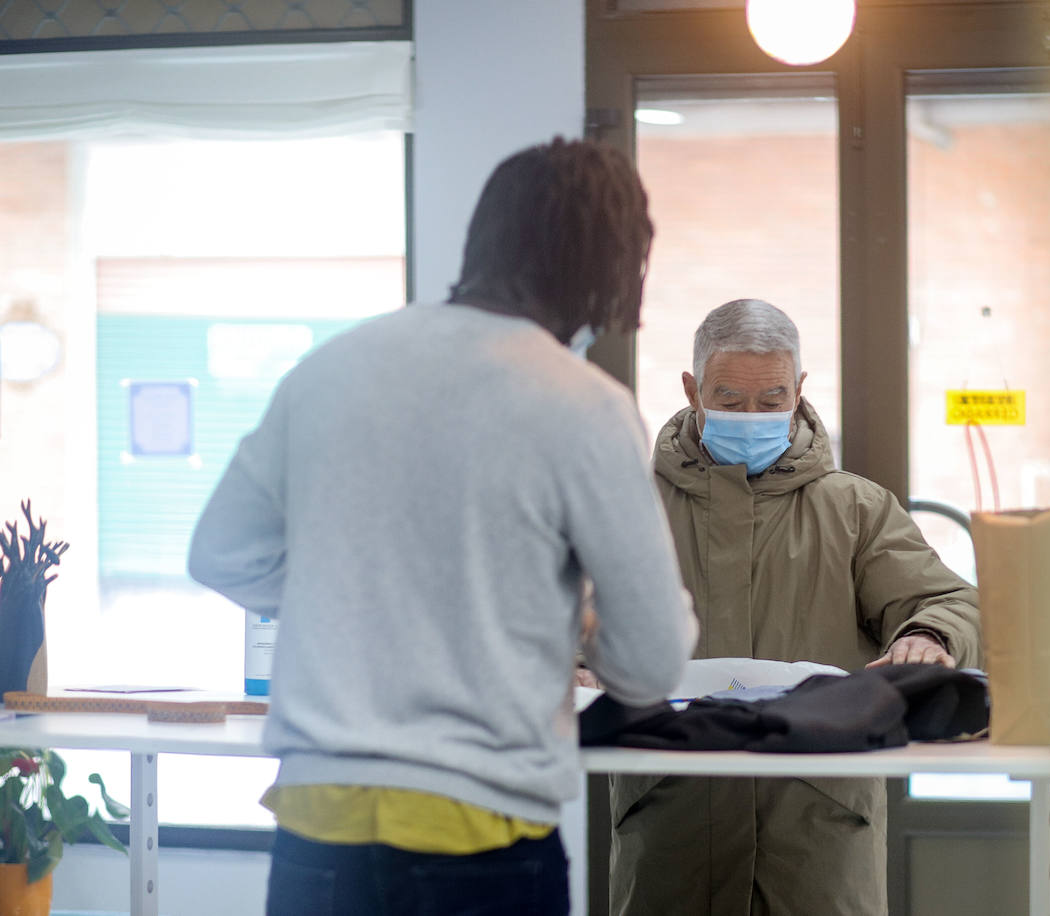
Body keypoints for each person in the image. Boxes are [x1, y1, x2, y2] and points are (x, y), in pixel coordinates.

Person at [188, 137, 697, 916]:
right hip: (478, 840)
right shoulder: (583, 405)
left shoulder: (331, 369)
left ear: (483, 237)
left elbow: (221, 553)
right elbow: (652, 662)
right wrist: (566, 619)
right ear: (604, 268)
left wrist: (361, 589)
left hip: (314, 832)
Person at [608, 299, 980, 916]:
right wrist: (576, 661)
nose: (751, 417)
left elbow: (943, 599)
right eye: (730, 400)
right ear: (693, 390)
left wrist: (930, 635)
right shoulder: (633, 509)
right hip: (670, 830)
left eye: (771, 399)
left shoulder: (856, 510)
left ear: (799, 390)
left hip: (819, 836)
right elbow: (562, 613)